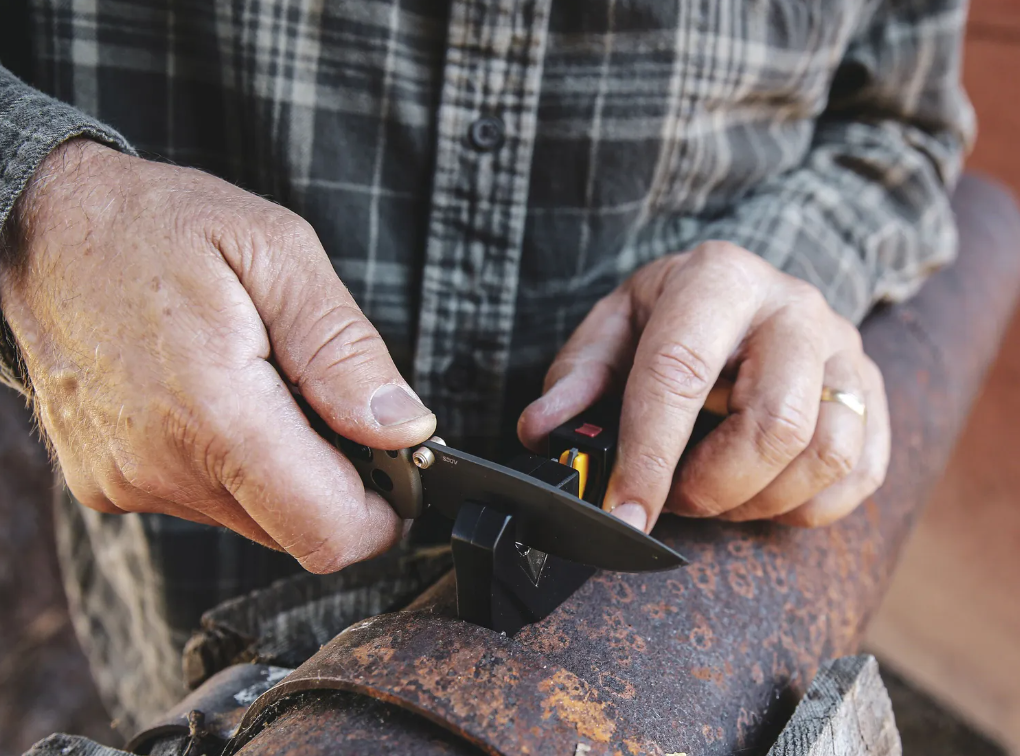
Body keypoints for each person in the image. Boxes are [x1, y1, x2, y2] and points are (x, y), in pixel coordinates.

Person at [0, 0, 972, 736]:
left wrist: (779, 273)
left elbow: (902, 131)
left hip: (642, 612)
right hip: (199, 619)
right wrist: (40, 210)